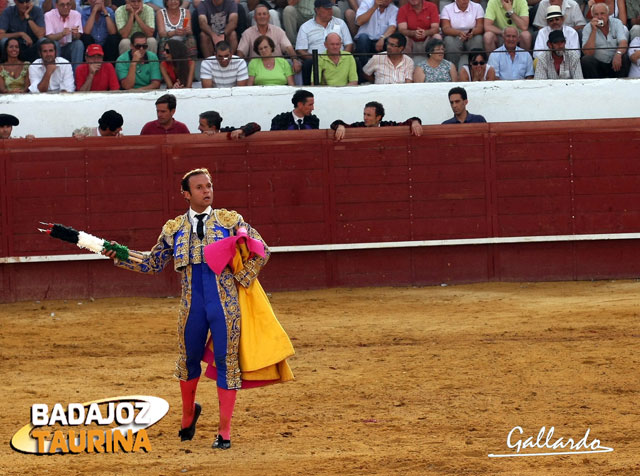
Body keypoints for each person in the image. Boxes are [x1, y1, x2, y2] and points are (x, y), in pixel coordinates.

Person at [102, 167, 294, 451]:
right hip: (191, 307)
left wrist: (240, 279)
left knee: (227, 364)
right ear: (186, 194)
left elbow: (262, 250)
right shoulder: (174, 229)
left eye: (209, 186)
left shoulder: (231, 221)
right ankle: (188, 415)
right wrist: (120, 254)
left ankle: (224, 432)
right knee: (188, 362)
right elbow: (152, 263)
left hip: (225, 306)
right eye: (200, 187)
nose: (207, 191)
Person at [295, 0, 353, 85]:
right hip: (315, 60)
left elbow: (349, 44)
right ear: (316, 10)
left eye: (331, 8)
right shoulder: (305, 27)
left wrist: (343, 58)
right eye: (326, 9)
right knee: (308, 64)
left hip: (339, 59)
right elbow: (300, 50)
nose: (330, 11)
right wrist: (317, 59)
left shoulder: (340, 23)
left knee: (354, 61)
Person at [237, 4, 300, 75]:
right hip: (256, 68)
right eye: (259, 14)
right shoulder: (247, 33)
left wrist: (295, 60)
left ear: (269, 17)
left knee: (295, 64)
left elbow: (289, 48)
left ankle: (296, 86)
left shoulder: (278, 31)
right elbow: (241, 53)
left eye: (264, 14)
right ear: (255, 18)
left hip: (278, 66)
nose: (262, 16)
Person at [581, 3, 630, 78]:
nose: (599, 17)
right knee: (586, 60)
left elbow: (623, 42)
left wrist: (618, 54)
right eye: (596, 14)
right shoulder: (588, 28)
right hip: (598, 65)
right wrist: (593, 30)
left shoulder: (616, 23)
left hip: (615, 63)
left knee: (624, 57)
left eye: (602, 13)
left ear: (608, 14)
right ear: (593, 16)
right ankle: (594, 87)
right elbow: (588, 53)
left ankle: (621, 85)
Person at [331, 101, 422, 140]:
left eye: (369, 115)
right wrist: (340, 126)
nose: (365, 118)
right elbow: (335, 123)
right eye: (364, 114)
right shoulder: (358, 125)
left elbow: (409, 121)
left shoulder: (388, 125)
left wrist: (415, 122)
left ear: (378, 117)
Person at [440, 0, 484, 69]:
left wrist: (473, 32)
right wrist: (458, 33)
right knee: (449, 40)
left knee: (478, 39)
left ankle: (476, 68)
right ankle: (453, 70)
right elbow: (445, 28)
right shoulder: (447, 8)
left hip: (472, 36)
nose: (465, 0)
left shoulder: (477, 7)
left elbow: (480, 27)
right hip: (455, 36)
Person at [353, 0, 398, 65]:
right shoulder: (366, 3)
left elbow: (392, 27)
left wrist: (382, 38)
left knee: (390, 41)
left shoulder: (394, 9)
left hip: (381, 41)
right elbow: (359, 21)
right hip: (365, 41)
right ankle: (364, 69)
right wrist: (374, 7)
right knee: (363, 38)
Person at [44, 0, 83, 70]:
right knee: (54, 44)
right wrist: (62, 34)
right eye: (62, 5)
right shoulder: (48, 15)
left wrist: (75, 35)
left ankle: (76, 76)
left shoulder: (76, 14)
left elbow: (78, 36)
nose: (66, 7)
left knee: (78, 44)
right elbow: (49, 36)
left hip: (69, 47)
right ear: (56, 6)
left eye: (68, 4)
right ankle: (57, 74)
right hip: (56, 47)